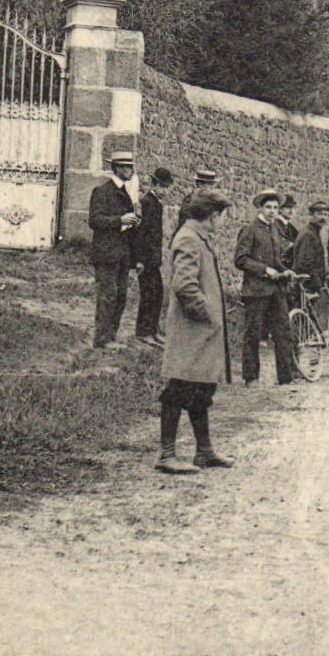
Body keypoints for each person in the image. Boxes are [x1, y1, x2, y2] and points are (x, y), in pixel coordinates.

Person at [156, 189, 235, 473]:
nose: (224, 221)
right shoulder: (189, 239)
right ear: (213, 217)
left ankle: (204, 451)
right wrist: (208, 313)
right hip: (192, 331)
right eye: (224, 215)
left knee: (200, 388)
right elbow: (184, 286)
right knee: (178, 388)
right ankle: (166, 455)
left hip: (201, 332)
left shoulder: (199, 238)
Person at [235, 190, 298, 385]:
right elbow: (241, 259)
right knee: (253, 333)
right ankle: (251, 377)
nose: (272, 211)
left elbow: (276, 260)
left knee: (283, 331)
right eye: (268, 207)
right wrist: (264, 270)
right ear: (260, 209)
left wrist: (285, 271)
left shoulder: (274, 230)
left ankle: (286, 377)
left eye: (275, 208)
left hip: (275, 290)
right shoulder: (250, 229)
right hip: (256, 291)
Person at [87, 150, 141, 349]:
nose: (131, 170)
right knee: (107, 296)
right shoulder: (102, 191)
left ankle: (111, 336)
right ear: (117, 168)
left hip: (122, 253)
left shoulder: (127, 192)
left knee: (121, 297)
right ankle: (102, 339)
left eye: (131, 167)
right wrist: (120, 220)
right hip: (106, 253)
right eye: (127, 167)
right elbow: (95, 220)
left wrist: (132, 222)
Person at [133, 167, 174, 347]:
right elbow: (141, 234)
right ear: (153, 185)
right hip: (146, 259)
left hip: (154, 259)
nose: (164, 191)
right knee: (148, 294)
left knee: (157, 293)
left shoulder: (156, 203)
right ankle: (143, 332)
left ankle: (153, 330)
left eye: (166, 187)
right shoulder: (147, 202)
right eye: (162, 186)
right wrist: (140, 260)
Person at [291, 201, 329, 316]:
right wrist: (317, 282)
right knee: (305, 315)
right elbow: (305, 263)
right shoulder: (308, 234)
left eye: (326, 215)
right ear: (311, 215)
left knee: (309, 316)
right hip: (307, 282)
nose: (323, 218)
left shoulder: (314, 232)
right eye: (320, 214)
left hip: (311, 280)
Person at [275, 193, 300, 267]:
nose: (291, 211)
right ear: (280, 209)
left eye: (293, 208)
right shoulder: (274, 225)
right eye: (288, 208)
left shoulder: (292, 229)